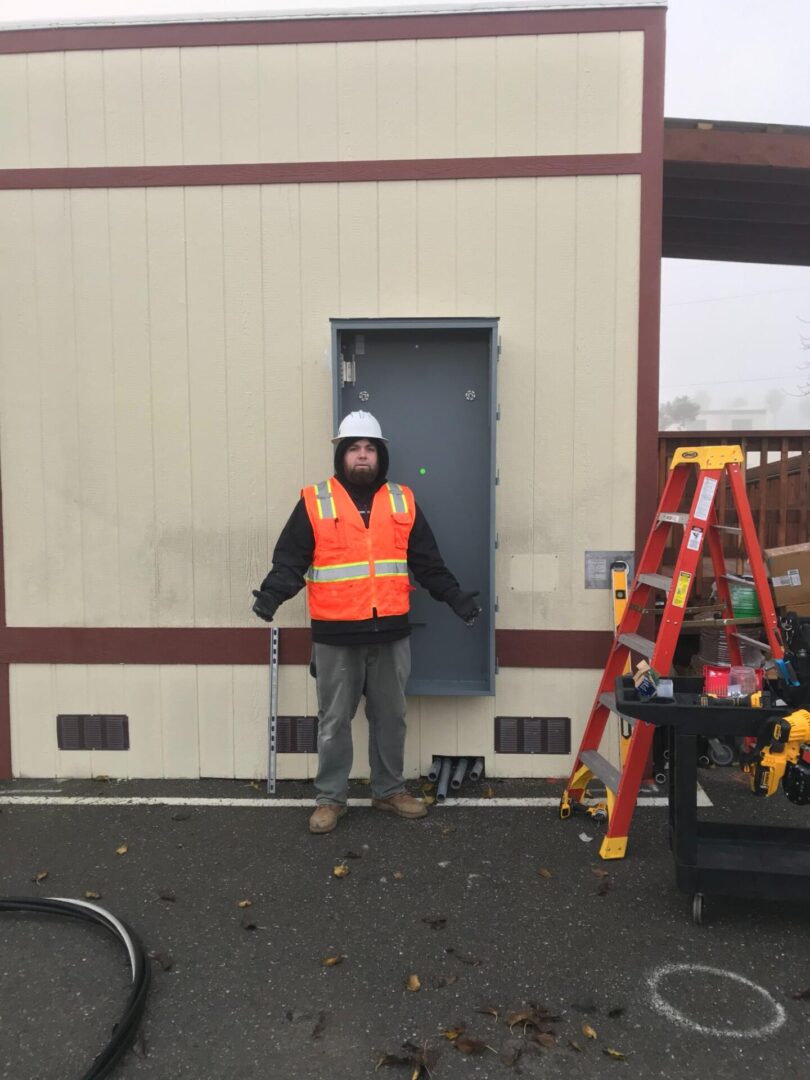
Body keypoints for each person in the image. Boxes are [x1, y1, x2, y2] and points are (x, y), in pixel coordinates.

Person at [252, 411, 481, 834]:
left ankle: (389, 790)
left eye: (369, 449)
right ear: (341, 455)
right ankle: (330, 799)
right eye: (354, 448)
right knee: (334, 720)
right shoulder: (315, 501)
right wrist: (271, 595)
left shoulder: (403, 500)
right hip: (335, 635)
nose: (362, 456)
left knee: (391, 716)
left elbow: (427, 563)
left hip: (391, 632)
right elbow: (290, 560)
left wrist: (455, 597)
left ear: (381, 456)